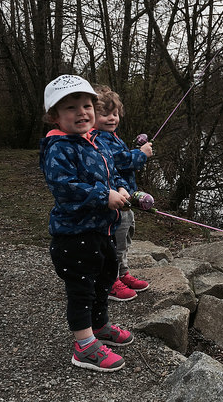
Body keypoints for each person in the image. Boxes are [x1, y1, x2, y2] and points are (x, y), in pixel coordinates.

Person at [39, 74, 134, 372]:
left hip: (101, 230)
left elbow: (112, 172)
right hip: (74, 234)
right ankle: (84, 345)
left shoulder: (95, 141)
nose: (82, 112)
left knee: (105, 277)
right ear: (54, 116)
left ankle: (100, 325)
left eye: (86, 105)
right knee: (81, 289)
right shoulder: (59, 148)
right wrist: (102, 195)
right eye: (71, 108)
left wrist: (119, 188)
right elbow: (64, 186)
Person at [92, 85, 152, 302]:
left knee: (125, 235)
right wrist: (141, 154)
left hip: (124, 196)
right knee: (115, 238)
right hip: (113, 199)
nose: (111, 118)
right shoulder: (98, 138)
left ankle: (123, 273)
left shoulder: (113, 136)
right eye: (105, 114)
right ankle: (111, 281)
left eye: (115, 113)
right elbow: (122, 161)